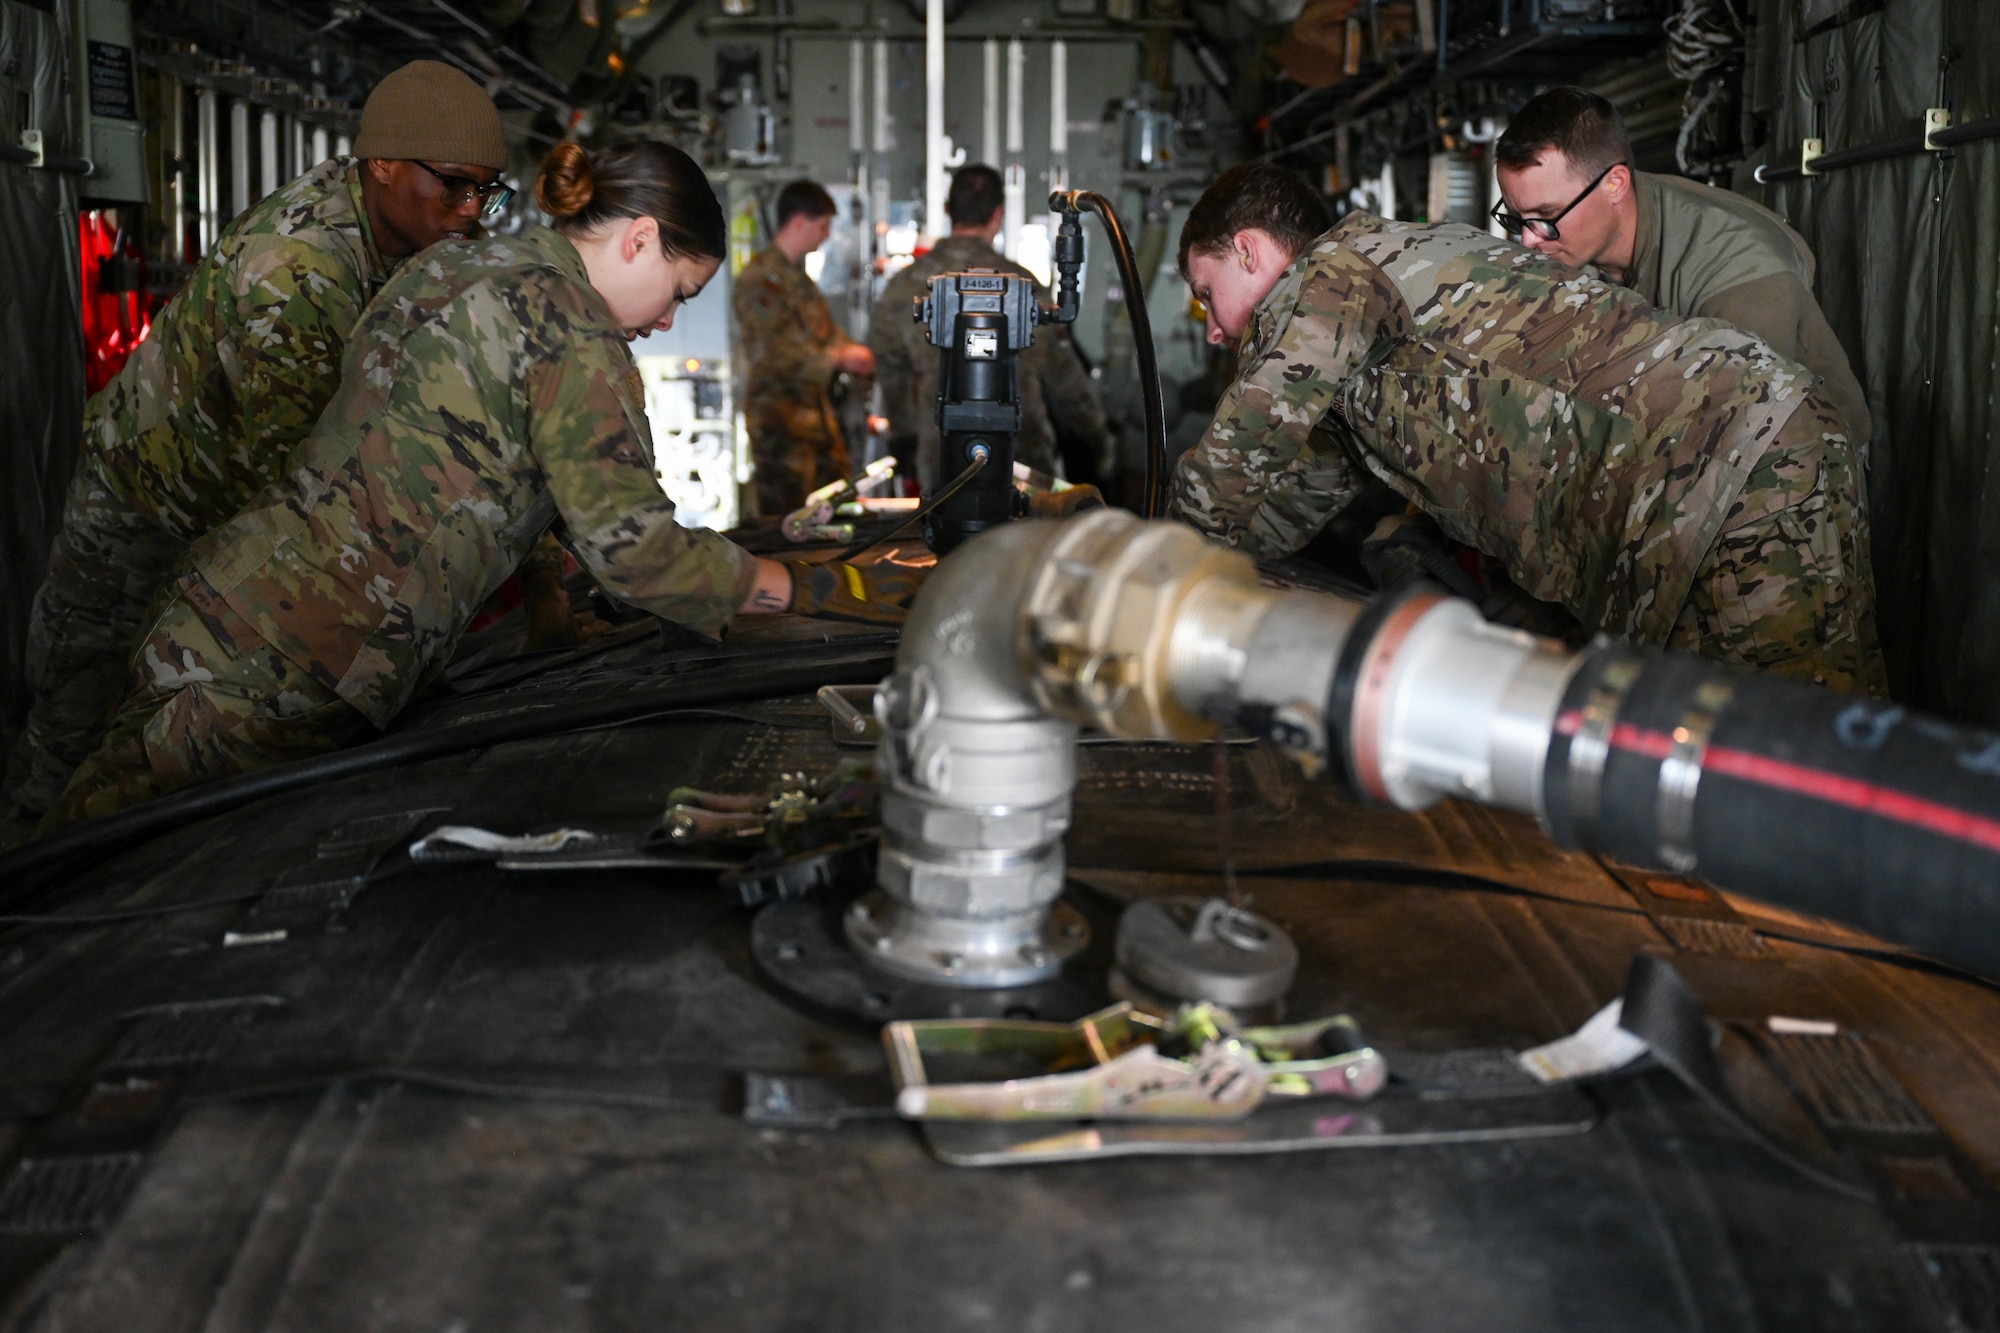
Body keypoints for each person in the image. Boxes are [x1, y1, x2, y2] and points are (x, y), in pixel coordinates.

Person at [50, 142, 917, 827]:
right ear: (640, 236)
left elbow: (462, 455)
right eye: (677, 293)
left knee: (77, 863)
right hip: (284, 669)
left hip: (230, 620)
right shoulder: (573, 333)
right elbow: (636, 550)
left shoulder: (458, 267)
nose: (663, 321)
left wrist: (547, 587)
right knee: (55, 921)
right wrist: (802, 586)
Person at [1, 60, 512, 846]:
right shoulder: (296, 268)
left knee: (175, 767)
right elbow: (321, 488)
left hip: (237, 512)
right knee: (74, 745)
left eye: (487, 191)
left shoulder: (417, 246)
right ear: (382, 163)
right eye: (453, 185)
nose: (471, 210)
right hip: (145, 514)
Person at [1171, 163, 1886, 694]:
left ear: (1250, 251)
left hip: (1728, 464)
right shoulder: (1359, 324)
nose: (1212, 329)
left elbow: (1242, 447)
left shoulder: (1332, 276)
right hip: (1714, 472)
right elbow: (1287, 502)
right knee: (1731, 758)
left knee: (1785, 764)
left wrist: (1151, 567)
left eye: (1208, 296)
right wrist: (1221, 552)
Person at [1493, 86, 1870, 446]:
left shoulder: (1736, 266)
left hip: (1796, 472)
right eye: (1516, 218)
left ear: (1615, 185)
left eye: (1547, 215)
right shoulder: (1575, 246)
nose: (1529, 240)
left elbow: (1732, 434)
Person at [870, 164, 1115, 491]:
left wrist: (904, 437)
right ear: (997, 215)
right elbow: (1066, 380)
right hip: (1021, 460)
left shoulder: (903, 287)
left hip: (942, 458)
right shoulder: (1025, 286)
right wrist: (1099, 443)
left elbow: (890, 369)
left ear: (948, 211)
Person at [734, 180, 874, 514]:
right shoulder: (760, 280)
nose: (826, 235)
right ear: (799, 222)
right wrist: (839, 358)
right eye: (822, 225)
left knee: (827, 514)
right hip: (782, 429)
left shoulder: (797, 280)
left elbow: (823, 333)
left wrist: (856, 353)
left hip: (814, 423)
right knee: (788, 521)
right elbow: (771, 355)